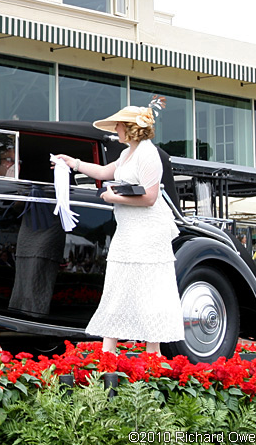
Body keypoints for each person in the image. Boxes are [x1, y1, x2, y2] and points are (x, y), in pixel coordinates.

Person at [53, 104, 184, 356]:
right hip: (128, 229)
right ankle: (108, 350)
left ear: (132, 128)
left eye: (120, 125)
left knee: (150, 287)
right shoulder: (127, 154)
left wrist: (114, 198)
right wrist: (73, 162)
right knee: (117, 282)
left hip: (149, 231)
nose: (116, 129)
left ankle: (152, 351)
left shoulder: (148, 154)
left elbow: (150, 197)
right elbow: (104, 171)